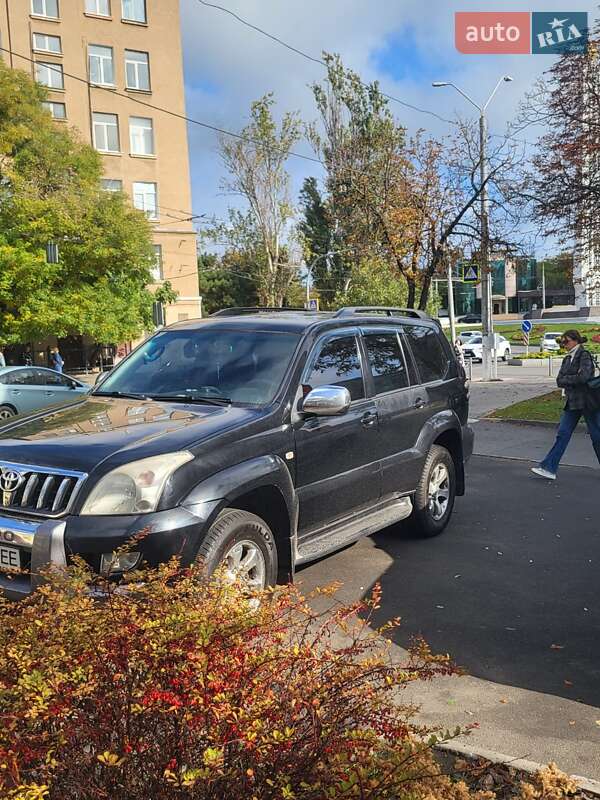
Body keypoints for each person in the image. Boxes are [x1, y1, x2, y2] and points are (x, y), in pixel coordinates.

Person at [531, 330, 600, 480]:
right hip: (573, 402)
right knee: (563, 434)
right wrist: (573, 378)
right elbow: (559, 380)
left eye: (566, 341)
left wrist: (568, 379)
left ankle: (548, 467)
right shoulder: (567, 358)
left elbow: (584, 377)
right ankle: (549, 468)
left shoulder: (584, 355)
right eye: (562, 342)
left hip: (588, 402)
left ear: (576, 341)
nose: (564, 344)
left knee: (597, 436)